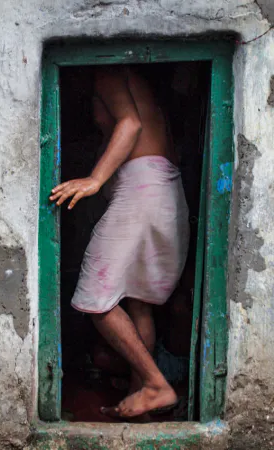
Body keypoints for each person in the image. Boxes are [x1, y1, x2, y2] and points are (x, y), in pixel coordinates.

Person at [49, 66, 189, 419]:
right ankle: (140, 395)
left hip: (141, 193)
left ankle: (157, 386)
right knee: (138, 303)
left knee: (94, 299)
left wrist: (95, 180)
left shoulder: (108, 70)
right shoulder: (143, 86)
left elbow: (130, 125)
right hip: (164, 191)